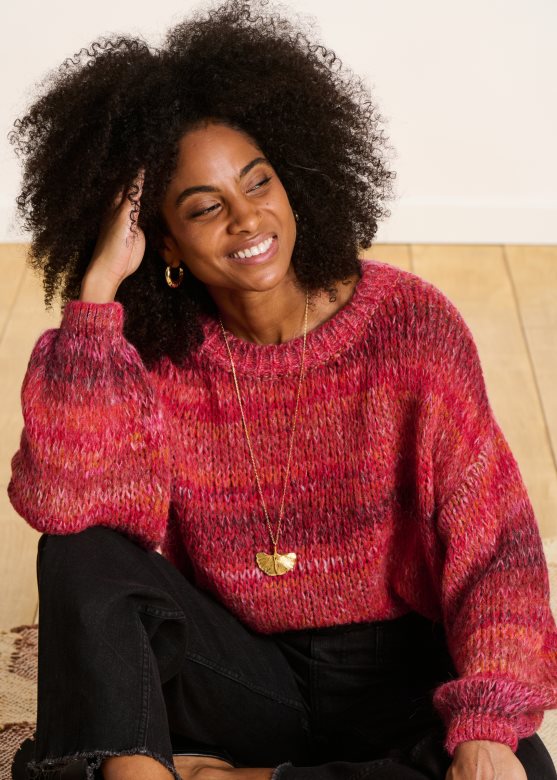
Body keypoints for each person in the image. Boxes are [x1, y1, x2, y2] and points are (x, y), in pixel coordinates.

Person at [6, 1, 557, 779]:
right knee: (77, 552)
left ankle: (226, 778)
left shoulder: (408, 325)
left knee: (518, 765)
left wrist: (487, 725)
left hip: (394, 681)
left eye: (257, 182)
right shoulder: (155, 355)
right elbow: (64, 506)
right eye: (204, 208)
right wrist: (98, 294)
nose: (246, 218)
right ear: (165, 241)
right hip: (243, 677)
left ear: (292, 177)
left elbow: (495, 548)